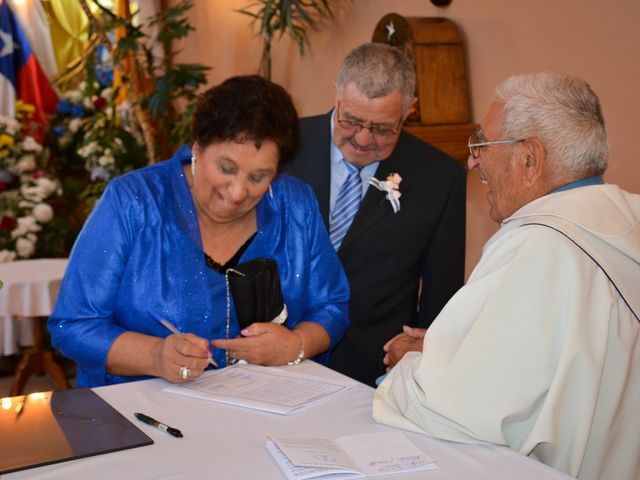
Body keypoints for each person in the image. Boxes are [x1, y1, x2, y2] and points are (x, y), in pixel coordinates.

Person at [373, 72, 640, 480]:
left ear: (530, 160)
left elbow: (456, 410)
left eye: (481, 143)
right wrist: (457, 347)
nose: (472, 160)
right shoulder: (628, 219)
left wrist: (414, 363)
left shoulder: (539, 245)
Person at [49, 75, 350, 388]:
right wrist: (154, 356)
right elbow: (74, 324)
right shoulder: (133, 202)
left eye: (258, 177)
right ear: (198, 146)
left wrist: (295, 344)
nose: (237, 192)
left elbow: (331, 306)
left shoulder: (295, 205)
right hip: (142, 413)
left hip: (265, 407)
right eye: (227, 168)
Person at [286, 42, 466, 387]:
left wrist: (419, 368)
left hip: (372, 369)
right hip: (273, 356)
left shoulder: (440, 178)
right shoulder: (284, 146)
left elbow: (440, 295)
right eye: (351, 120)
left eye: (383, 128)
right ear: (336, 96)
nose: (363, 139)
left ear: (409, 110)